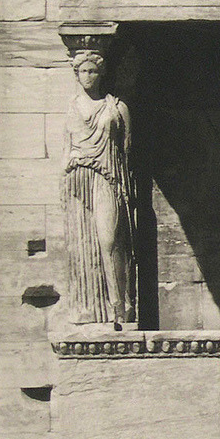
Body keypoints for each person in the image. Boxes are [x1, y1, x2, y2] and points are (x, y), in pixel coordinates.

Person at [62, 50, 135, 325]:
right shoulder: (72, 107)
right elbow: (65, 148)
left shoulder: (116, 107)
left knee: (109, 240)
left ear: (101, 73)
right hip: (79, 179)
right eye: (83, 71)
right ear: (77, 74)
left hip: (108, 178)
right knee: (85, 243)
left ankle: (122, 304)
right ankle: (96, 309)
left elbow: (127, 150)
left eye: (93, 71)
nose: (88, 76)